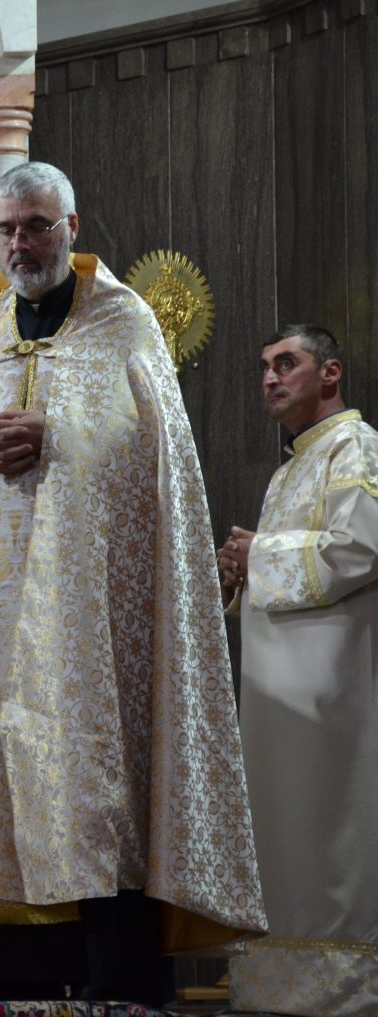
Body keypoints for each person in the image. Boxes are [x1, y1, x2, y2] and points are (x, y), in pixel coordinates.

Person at [0, 161, 265, 1005]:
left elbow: (158, 462)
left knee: (89, 781)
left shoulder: (122, 319)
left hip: (86, 617)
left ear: (72, 228)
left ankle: (110, 974)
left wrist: (62, 436)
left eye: (37, 226)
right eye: (7, 229)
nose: (21, 244)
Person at [218, 324, 378, 1016]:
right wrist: (240, 570)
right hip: (280, 700)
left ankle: (345, 994)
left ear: (330, 372)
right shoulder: (289, 469)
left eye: (287, 363)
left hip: (333, 700)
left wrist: (260, 553)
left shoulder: (355, 446)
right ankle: (275, 992)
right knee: (281, 844)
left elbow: (360, 547)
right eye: (264, 366)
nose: (270, 378)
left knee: (331, 843)